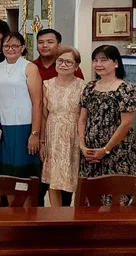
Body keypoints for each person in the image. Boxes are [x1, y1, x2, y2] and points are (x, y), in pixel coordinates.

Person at [78, 45, 136, 206]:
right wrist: (82, 146)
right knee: (89, 199)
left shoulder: (126, 89)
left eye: (104, 60)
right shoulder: (89, 87)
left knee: (115, 199)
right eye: (95, 60)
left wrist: (105, 150)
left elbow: (126, 124)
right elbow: (82, 118)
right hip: (90, 154)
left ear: (116, 63)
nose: (98, 64)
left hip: (117, 152)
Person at [0, 33, 43, 179]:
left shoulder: (29, 67)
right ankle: (10, 203)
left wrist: (35, 133)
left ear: (22, 48)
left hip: (24, 126)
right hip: (4, 125)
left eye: (15, 46)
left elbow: (38, 102)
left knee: (23, 174)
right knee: (6, 173)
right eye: (7, 46)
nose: (11, 49)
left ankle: (27, 203)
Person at [41, 47, 85, 207]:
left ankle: (74, 217)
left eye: (68, 62)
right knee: (53, 179)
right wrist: (42, 142)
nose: (63, 64)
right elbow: (44, 116)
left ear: (76, 66)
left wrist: (82, 142)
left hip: (74, 136)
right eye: (60, 60)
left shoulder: (83, 87)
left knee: (73, 177)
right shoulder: (47, 85)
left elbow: (84, 116)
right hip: (53, 135)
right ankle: (56, 216)